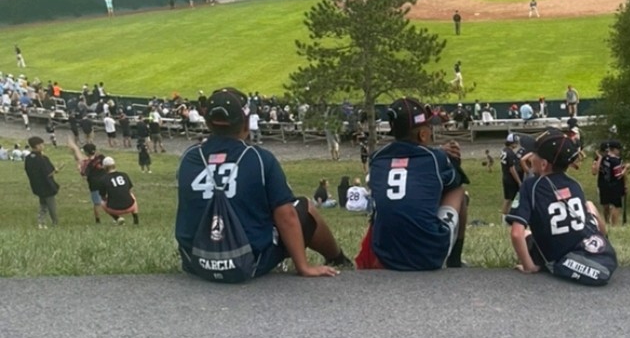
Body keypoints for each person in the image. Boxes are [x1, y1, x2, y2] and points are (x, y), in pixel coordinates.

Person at [175, 87, 350, 279]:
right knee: (304, 207)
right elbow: (287, 217)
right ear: (245, 122)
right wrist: (303, 267)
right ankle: (338, 259)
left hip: (196, 263)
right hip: (246, 262)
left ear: (208, 121)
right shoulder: (259, 158)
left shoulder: (189, 158)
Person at [356, 97, 467, 270]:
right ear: (423, 134)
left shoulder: (376, 159)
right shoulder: (436, 158)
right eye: (428, 127)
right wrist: (445, 155)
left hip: (385, 254)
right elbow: (455, 181)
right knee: (459, 192)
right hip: (428, 256)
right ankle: (455, 260)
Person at [505, 127, 617, 285]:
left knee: (526, 234)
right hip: (582, 243)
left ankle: (531, 262)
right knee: (589, 205)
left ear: (543, 164)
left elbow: (516, 234)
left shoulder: (531, 186)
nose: (529, 157)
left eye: (533, 154)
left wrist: (529, 267)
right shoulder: (575, 184)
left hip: (555, 254)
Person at [24, 136, 60, 229]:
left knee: (43, 204)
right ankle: (55, 223)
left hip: (36, 185)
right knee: (51, 206)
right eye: (41, 144)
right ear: (37, 146)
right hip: (46, 185)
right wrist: (55, 170)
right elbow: (48, 172)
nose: (43, 146)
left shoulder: (28, 158)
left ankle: (41, 222)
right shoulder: (42, 158)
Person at [69, 139, 107, 223]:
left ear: (86, 153)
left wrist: (79, 168)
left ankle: (98, 220)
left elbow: (83, 174)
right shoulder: (102, 157)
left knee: (97, 203)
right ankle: (116, 215)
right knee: (107, 200)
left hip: (94, 185)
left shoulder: (86, 163)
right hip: (105, 182)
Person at [592, 140, 628, 226]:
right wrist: (626, 168)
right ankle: (614, 225)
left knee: (605, 205)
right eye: (618, 149)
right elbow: (618, 175)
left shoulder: (602, 158)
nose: (619, 151)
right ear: (614, 149)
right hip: (615, 185)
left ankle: (607, 222)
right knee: (616, 206)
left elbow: (594, 171)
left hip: (603, 184)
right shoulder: (616, 160)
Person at [99, 157, 139, 225]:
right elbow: (129, 190)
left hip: (114, 209)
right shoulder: (124, 175)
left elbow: (103, 196)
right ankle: (136, 219)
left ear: (104, 167)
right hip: (130, 206)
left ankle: (117, 218)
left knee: (102, 202)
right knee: (131, 195)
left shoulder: (103, 179)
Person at [500, 135, 523, 216]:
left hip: (505, 177)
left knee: (507, 199)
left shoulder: (504, 151)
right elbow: (512, 169)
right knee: (511, 200)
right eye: (515, 143)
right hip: (510, 179)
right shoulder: (510, 153)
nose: (516, 145)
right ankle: (507, 217)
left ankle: (504, 217)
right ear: (511, 143)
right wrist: (519, 181)